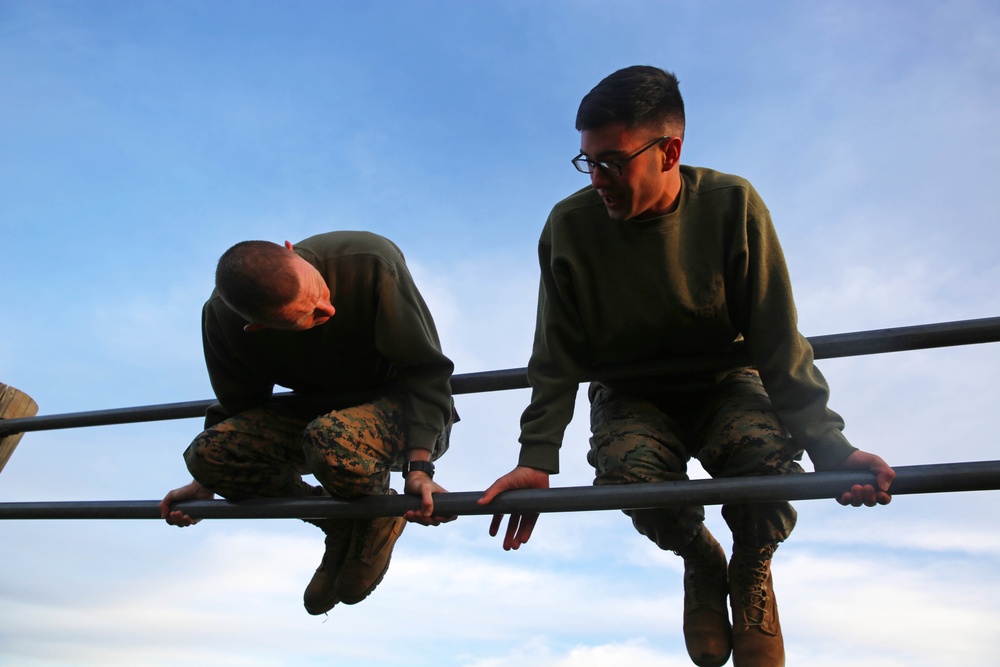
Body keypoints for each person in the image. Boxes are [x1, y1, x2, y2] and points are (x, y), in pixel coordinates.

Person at [479, 66, 895, 667]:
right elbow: (556, 353)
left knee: (765, 458)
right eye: (586, 162)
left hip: (725, 380)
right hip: (632, 392)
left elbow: (778, 339)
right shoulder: (569, 227)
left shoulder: (731, 204)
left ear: (669, 150)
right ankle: (703, 560)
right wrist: (536, 459)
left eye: (613, 161)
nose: (597, 179)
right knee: (626, 472)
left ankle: (751, 564)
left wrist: (831, 450)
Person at [160, 230, 456, 616]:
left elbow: (426, 372)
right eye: (308, 317)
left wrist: (419, 470)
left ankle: (375, 514)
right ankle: (338, 519)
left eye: (318, 292)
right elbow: (243, 408)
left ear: (291, 251)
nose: (326, 311)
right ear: (258, 327)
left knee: (330, 439)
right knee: (208, 454)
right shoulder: (222, 319)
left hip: (408, 410)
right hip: (319, 421)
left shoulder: (370, 260)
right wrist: (206, 481)